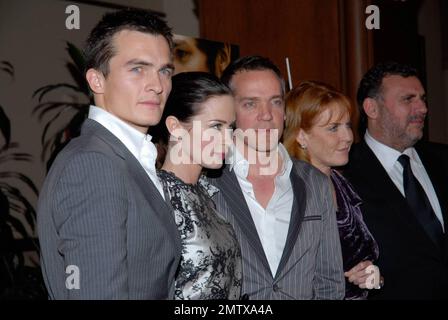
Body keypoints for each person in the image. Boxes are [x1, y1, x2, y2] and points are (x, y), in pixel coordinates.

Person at [37, 9, 181, 299]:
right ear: (96, 81)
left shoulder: (125, 157)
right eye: (138, 68)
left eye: (164, 70)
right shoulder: (94, 164)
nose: (157, 85)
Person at [208, 56, 345, 299]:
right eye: (251, 104)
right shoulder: (206, 182)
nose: (267, 115)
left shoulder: (315, 183)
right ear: (228, 111)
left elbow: (329, 282)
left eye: (275, 102)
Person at [344, 61, 448, 299]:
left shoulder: (443, 160)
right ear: (372, 108)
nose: (422, 108)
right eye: (408, 99)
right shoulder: (343, 174)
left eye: (422, 98)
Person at [283, 80, 381, 299]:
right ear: (301, 136)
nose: (348, 137)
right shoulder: (289, 192)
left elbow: (364, 257)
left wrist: (372, 276)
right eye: (333, 128)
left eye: (347, 125)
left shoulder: (341, 181)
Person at [152, 71, 241, 300]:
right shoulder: (157, 196)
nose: (228, 139)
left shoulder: (206, 192)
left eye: (230, 128)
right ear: (175, 126)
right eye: (215, 126)